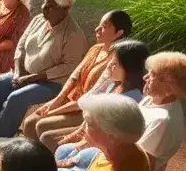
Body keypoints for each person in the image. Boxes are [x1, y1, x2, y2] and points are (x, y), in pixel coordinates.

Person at [0, 0, 87, 165]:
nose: (45, 8)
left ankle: (0, 145)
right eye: (45, 3)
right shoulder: (39, 19)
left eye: (51, 6)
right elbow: (21, 46)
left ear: (65, 9)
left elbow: (67, 68)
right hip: (22, 73)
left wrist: (30, 79)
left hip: (51, 83)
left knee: (17, 97)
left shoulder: (74, 35)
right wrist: (18, 73)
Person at [55, 50, 186, 171]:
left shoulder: (162, 121)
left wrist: (96, 145)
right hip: (110, 155)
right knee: (63, 151)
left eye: (152, 75)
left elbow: (136, 167)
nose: (145, 78)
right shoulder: (152, 99)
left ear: (169, 87)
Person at [20, 11, 134, 147]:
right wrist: (56, 102)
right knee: (30, 121)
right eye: (99, 24)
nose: (97, 29)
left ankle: (44, 164)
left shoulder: (116, 61)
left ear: (118, 33)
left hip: (85, 110)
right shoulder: (95, 49)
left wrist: (53, 111)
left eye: (104, 26)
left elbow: (91, 97)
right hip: (70, 101)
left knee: (42, 124)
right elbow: (74, 77)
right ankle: (26, 160)